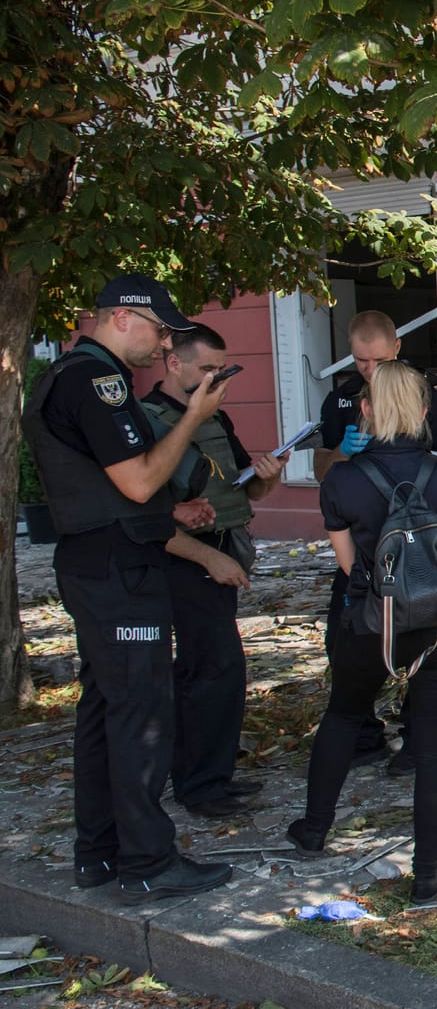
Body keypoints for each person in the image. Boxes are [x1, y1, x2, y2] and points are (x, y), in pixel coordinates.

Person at [23, 273, 235, 905]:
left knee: (104, 708)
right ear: (120, 317)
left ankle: (100, 851)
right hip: (119, 571)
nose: (162, 343)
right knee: (141, 712)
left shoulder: (65, 377)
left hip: (100, 559)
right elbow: (140, 481)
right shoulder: (99, 382)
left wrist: (170, 514)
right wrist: (193, 416)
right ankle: (147, 859)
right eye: (158, 328)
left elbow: (111, 489)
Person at [290, 361, 437, 904]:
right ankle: (428, 871)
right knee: (436, 745)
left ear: (365, 410)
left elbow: (350, 566)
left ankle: (314, 830)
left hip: (370, 622)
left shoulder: (342, 479)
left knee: (344, 714)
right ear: (422, 412)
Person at [314, 310, 437, 776]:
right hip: (366, 549)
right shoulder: (342, 400)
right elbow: (325, 470)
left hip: (417, 540)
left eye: (377, 360)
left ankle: (416, 737)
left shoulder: (427, 398)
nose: (369, 370)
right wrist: (347, 455)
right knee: (343, 641)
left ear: (396, 349)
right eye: (360, 361)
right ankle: (363, 734)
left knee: (424, 636)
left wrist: (408, 466)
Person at [142, 324, 285, 819]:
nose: (215, 378)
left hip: (225, 547)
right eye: (206, 368)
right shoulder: (148, 421)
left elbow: (246, 492)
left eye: (220, 369)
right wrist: (208, 557)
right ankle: (199, 787)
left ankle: (212, 776)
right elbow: (142, 514)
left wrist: (269, 477)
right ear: (173, 363)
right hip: (185, 558)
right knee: (210, 668)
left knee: (221, 669)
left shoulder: (216, 419)